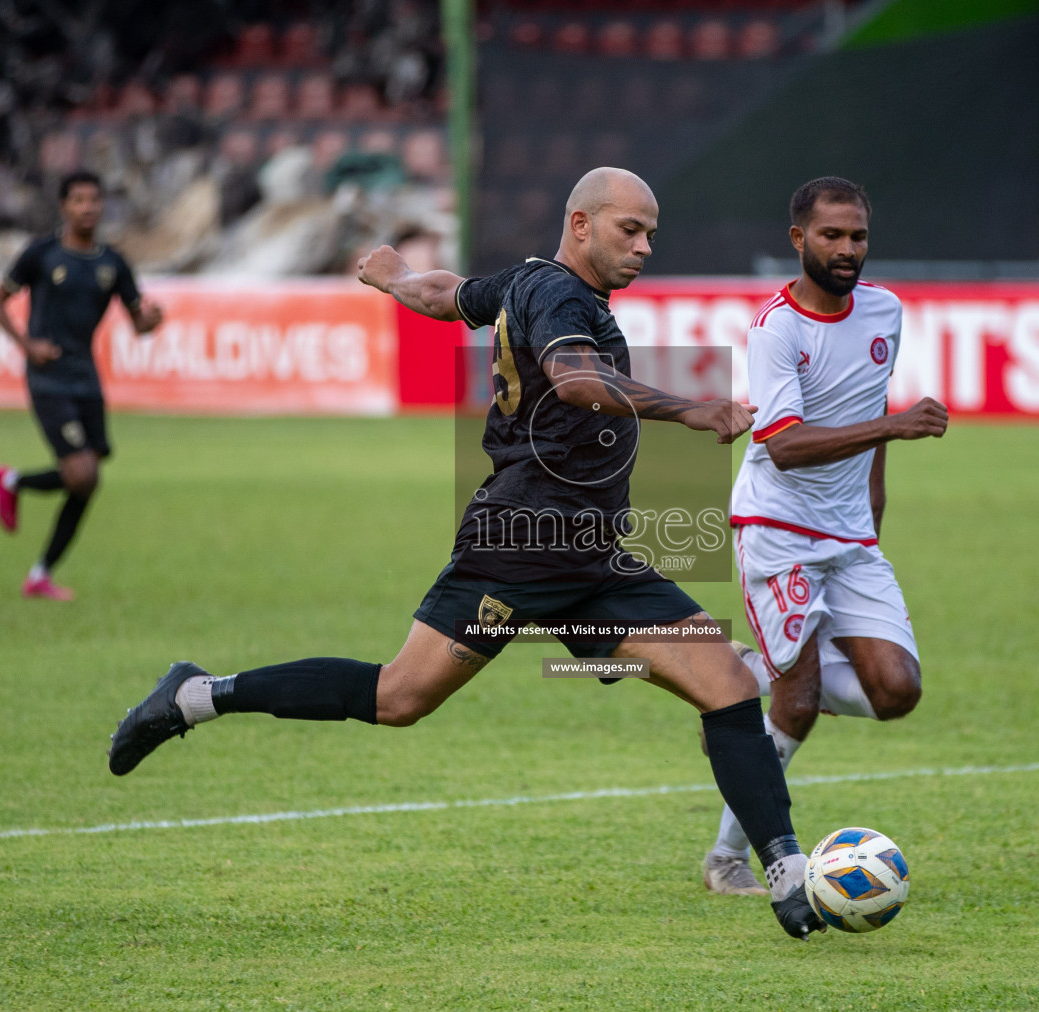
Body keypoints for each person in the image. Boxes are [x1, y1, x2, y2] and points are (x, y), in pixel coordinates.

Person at [107, 167, 827, 940]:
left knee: (723, 681)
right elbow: (578, 378)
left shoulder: (524, 283)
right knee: (399, 697)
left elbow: (451, 297)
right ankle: (195, 695)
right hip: (518, 546)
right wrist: (692, 407)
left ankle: (786, 872)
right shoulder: (560, 298)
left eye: (651, 232)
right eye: (631, 230)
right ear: (581, 224)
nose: (645, 246)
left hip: (591, 557)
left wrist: (398, 278)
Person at [699, 178, 948, 897]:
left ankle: (757, 674)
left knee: (897, 690)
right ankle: (727, 860)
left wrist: (873, 513)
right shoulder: (777, 327)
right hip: (776, 529)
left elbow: (869, 414)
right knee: (799, 704)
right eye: (832, 235)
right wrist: (895, 425)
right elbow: (784, 445)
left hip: (850, 537)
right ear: (798, 239)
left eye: (858, 236)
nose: (847, 250)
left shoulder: (885, 311)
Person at [0, 170, 163, 599]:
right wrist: (26, 345)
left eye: (94, 200)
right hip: (49, 377)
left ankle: (37, 564)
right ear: (64, 206)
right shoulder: (41, 254)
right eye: (79, 200)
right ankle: (22, 514)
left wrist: (152, 320)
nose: (88, 208)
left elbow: (138, 322)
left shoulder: (112, 263)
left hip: (86, 376)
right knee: (82, 474)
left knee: (88, 478)